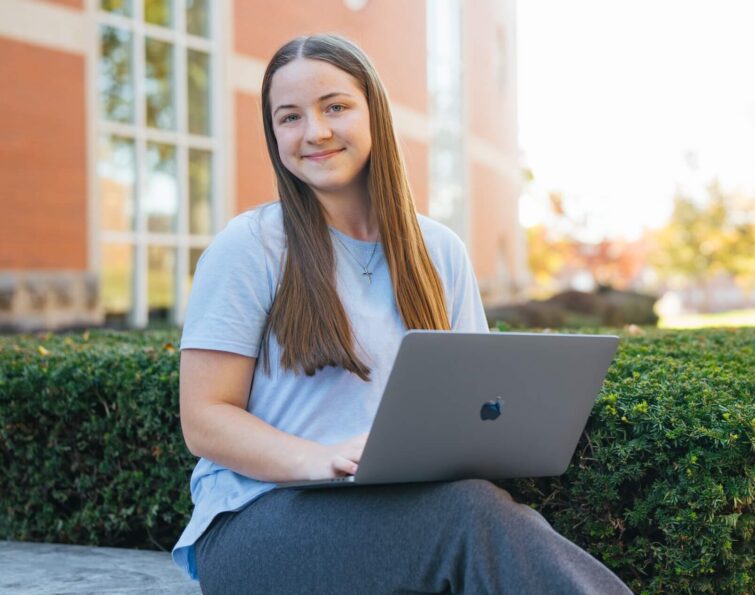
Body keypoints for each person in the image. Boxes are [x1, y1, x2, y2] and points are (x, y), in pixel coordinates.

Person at [173, 33, 632, 594]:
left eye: (335, 107)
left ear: (375, 114)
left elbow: (480, 404)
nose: (313, 132)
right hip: (257, 524)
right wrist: (320, 459)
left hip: (399, 514)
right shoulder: (251, 245)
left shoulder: (438, 251)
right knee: (472, 519)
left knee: (476, 509)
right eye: (289, 117)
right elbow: (204, 419)